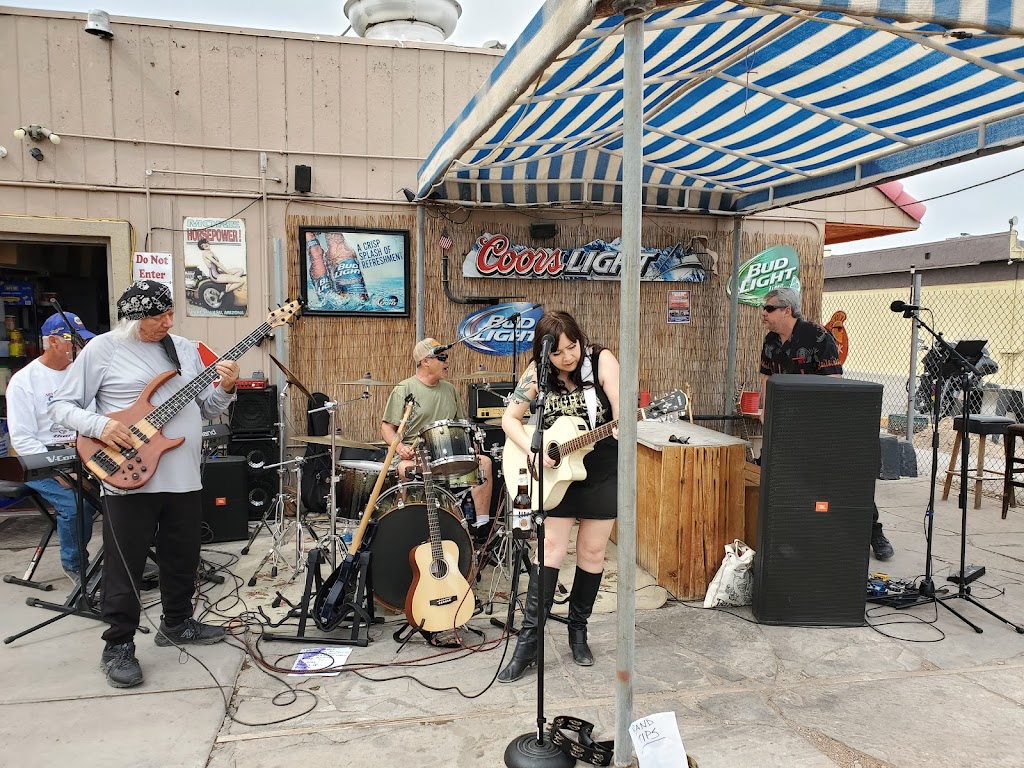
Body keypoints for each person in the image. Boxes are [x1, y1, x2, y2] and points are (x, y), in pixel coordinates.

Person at [49, 280, 240, 689]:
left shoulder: (184, 349)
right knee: (126, 565)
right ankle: (117, 645)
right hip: (128, 477)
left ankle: (177, 622)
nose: (167, 322)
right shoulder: (103, 349)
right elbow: (61, 405)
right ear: (133, 317)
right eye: (158, 317)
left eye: (170, 314)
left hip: (183, 476)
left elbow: (207, 408)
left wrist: (226, 387)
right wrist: (99, 425)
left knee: (183, 556)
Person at [497, 311, 620, 682]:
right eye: (558, 352)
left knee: (592, 552)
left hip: (601, 468)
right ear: (545, 352)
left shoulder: (602, 360)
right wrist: (532, 452)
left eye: (573, 347)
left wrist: (622, 424)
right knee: (549, 549)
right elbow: (509, 419)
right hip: (555, 471)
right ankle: (528, 643)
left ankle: (578, 631)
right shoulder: (537, 372)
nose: (568, 357)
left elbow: (620, 409)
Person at [758, 286, 894, 561]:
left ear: (787, 310)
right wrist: (766, 409)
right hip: (785, 423)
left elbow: (833, 383)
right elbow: (766, 377)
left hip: (819, 425)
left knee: (843, 481)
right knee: (787, 480)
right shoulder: (770, 341)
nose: (764, 313)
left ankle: (874, 533)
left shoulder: (819, 336)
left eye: (769, 308)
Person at [7, 311, 98, 586]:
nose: (80, 347)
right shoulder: (24, 381)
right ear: (55, 341)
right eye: (74, 341)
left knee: (123, 491)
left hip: (81, 450)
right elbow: (22, 438)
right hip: (41, 457)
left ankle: (122, 560)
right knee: (76, 504)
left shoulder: (81, 374)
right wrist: (57, 468)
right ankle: (75, 565)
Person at [381, 338, 493, 535]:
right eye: (442, 358)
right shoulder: (404, 389)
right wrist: (400, 448)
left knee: (484, 462)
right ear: (425, 361)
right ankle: (406, 525)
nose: (447, 361)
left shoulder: (450, 390)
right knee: (404, 469)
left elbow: (462, 424)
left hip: (447, 455)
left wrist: (471, 443)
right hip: (415, 455)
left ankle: (482, 527)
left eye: (446, 357)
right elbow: (386, 428)